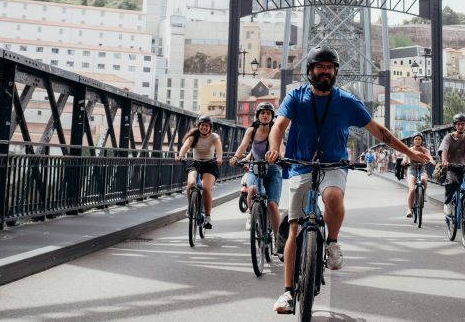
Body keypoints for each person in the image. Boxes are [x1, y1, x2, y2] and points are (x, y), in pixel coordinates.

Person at [265, 46, 430, 314]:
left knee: (332, 196)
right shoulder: (295, 96)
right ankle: (287, 293)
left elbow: (379, 131)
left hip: (334, 163)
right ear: (310, 71)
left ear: (335, 72)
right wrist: (275, 149)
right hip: (301, 165)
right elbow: (279, 126)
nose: (326, 71)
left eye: (331, 67)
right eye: (321, 67)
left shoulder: (346, 100)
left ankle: (332, 243)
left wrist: (409, 151)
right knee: (295, 228)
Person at [229, 102, 284, 244]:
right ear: (258, 115)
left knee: (272, 205)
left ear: (272, 116)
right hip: (256, 167)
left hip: (272, 170)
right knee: (252, 190)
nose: (265, 115)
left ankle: (278, 240)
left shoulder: (275, 129)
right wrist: (236, 157)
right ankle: (251, 214)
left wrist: (280, 157)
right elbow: (243, 145)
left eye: (268, 113)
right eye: (262, 113)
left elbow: (279, 146)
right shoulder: (251, 130)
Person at [175, 114, 222, 230]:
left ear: (210, 127)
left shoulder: (214, 136)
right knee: (191, 184)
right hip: (195, 162)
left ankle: (207, 217)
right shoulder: (193, 137)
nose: (204, 128)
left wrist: (219, 157)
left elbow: (219, 148)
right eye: (202, 125)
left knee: (206, 188)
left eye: (207, 126)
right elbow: (185, 146)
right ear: (199, 126)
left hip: (210, 164)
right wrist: (180, 155)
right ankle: (190, 207)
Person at [402, 133, 434, 217]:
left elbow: (429, 156)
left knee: (424, 179)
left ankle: (424, 195)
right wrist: (404, 161)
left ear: (422, 141)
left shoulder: (424, 150)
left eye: (419, 139)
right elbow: (405, 157)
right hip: (411, 171)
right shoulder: (409, 149)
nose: (417, 140)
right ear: (413, 141)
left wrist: (432, 161)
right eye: (416, 139)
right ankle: (409, 209)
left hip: (422, 170)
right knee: (412, 189)